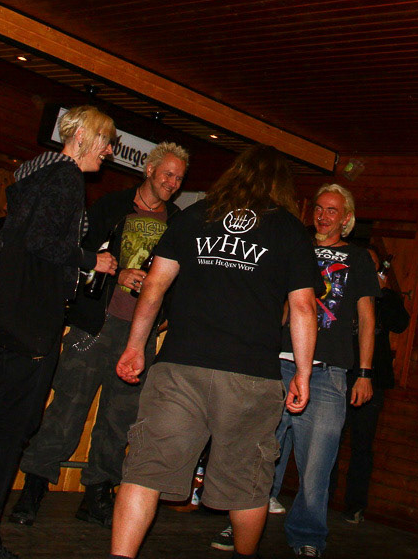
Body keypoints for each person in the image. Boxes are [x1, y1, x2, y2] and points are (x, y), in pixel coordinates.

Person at [0, 105, 119, 559]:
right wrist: (91, 260)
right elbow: (44, 242)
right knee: (13, 430)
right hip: (31, 321)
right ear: (83, 137)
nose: (109, 152)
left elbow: (23, 240)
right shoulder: (66, 178)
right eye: (106, 141)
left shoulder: (35, 175)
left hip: (1, 313)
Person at [109, 145, 320, 559]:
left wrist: (135, 347)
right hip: (250, 377)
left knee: (145, 471)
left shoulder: (195, 216)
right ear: (280, 184)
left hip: (179, 367)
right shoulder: (289, 230)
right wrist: (303, 373)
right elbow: (303, 307)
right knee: (247, 485)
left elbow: (153, 286)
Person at [9, 142, 190, 528]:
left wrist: (168, 315)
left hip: (140, 335)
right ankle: (33, 488)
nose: (173, 183)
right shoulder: (110, 206)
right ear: (149, 170)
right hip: (96, 323)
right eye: (167, 174)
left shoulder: (179, 222)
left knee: (120, 418)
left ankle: (97, 494)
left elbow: (184, 277)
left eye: (179, 178)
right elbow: (73, 253)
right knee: (67, 407)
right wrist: (117, 273)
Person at [241, 183, 377, 558]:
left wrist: (365, 372)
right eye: (318, 208)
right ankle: (243, 521)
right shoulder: (295, 246)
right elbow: (280, 304)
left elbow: (367, 317)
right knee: (261, 450)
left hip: (329, 373)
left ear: (346, 218)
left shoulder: (359, 258)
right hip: (280, 363)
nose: (322, 215)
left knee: (317, 463)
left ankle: (308, 536)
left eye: (332, 210)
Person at [339, 241, 411, 524]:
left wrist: (384, 292)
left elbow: (401, 323)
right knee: (330, 440)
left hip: (372, 380)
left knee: (362, 444)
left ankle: (355, 506)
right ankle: (320, 499)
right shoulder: (342, 289)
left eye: (373, 265)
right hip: (339, 374)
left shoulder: (384, 295)